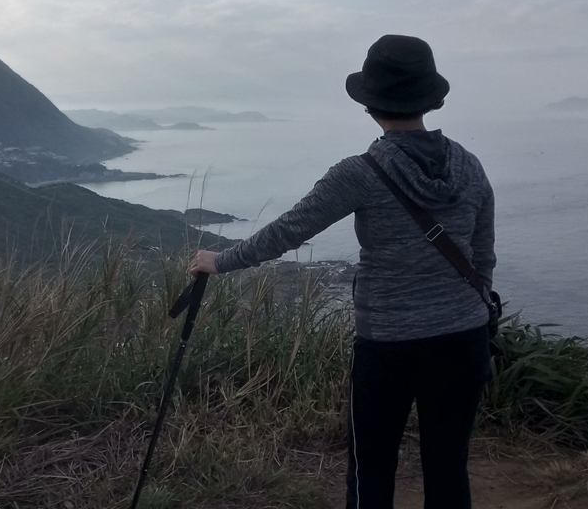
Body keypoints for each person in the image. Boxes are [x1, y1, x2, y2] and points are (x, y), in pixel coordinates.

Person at [190, 34, 495, 509]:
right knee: (448, 464)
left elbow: (289, 230)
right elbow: (483, 254)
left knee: (372, 469)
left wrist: (221, 261)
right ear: (430, 99)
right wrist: (467, 310)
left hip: (389, 346)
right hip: (465, 338)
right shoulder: (470, 167)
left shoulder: (360, 172)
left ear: (371, 104)